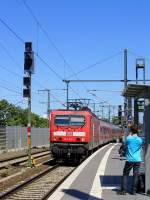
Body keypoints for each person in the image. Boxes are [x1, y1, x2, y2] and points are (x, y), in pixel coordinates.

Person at [118, 125, 143, 195]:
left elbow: (125, 145)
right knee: (136, 175)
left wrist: (130, 135)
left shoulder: (128, 139)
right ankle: (133, 191)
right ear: (137, 131)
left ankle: (123, 191)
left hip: (129, 159)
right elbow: (140, 146)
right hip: (137, 160)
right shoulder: (140, 140)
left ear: (131, 131)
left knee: (125, 174)